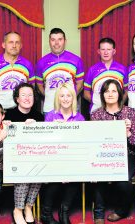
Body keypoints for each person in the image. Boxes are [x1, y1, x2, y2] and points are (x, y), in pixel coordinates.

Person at [90, 79, 135, 223]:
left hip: (127, 154)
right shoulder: (96, 115)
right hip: (103, 153)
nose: (110, 94)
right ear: (102, 95)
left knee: (124, 180)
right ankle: (98, 213)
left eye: (114, 91)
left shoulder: (130, 113)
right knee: (98, 174)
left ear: (119, 93)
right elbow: (93, 141)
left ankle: (122, 210)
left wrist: (128, 134)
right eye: (107, 91)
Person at [41, 83, 85, 224]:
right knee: (55, 176)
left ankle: (64, 211)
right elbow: (45, 142)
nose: (65, 99)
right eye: (62, 96)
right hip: (54, 157)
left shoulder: (79, 118)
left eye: (69, 95)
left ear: (73, 98)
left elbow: (82, 143)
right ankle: (46, 213)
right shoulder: (50, 117)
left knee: (75, 175)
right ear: (57, 98)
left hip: (72, 158)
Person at [5, 82, 44, 224]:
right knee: (24, 170)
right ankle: (18, 209)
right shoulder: (8, 115)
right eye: (23, 95)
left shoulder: (39, 116)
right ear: (17, 99)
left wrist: (35, 128)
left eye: (30, 95)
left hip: (33, 155)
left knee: (39, 168)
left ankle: (29, 206)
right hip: (14, 158)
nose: (27, 98)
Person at [0, 31, 35, 110]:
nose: (14, 45)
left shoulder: (28, 65)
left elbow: (31, 89)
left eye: (17, 42)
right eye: (10, 42)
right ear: (3, 45)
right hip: (1, 111)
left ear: (21, 45)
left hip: (21, 111)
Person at [36, 28, 84, 113]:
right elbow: (39, 85)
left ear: (65, 41)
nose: (56, 43)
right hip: (49, 109)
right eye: (53, 40)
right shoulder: (41, 62)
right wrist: (49, 96)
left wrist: (69, 98)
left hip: (70, 109)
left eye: (60, 39)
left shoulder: (76, 60)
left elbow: (80, 84)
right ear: (49, 41)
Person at [84, 37, 128, 113]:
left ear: (114, 51)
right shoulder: (92, 70)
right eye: (103, 49)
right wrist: (98, 102)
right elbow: (86, 93)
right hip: (96, 111)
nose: (106, 52)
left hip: (116, 112)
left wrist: (120, 104)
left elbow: (127, 91)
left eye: (108, 49)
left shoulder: (123, 69)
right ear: (99, 51)